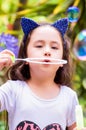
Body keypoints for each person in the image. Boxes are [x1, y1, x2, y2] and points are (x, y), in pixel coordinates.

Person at [0, 17, 79, 130]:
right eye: (39, 46)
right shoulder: (12, 90)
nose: (47, 51)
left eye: (54, 47)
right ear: (25, 56)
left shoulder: (69, 97)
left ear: (62, 60)